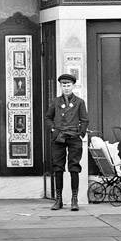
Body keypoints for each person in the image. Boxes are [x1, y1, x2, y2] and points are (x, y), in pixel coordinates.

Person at [45, 72, 89, 211]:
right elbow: (48, 118)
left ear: (73, 86)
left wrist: (80, 133)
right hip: (58, 137)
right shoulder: (55, 102)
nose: (66, 87)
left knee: (74, 167)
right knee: (58, 167)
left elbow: (85, 120)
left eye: (68, 85)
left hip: (74, 137)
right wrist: (53, 129)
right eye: (63, 85)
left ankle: (74, 199)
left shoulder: (79, 102)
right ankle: (58, 199)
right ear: (60, 86)